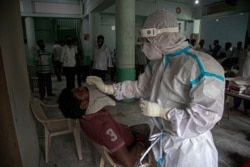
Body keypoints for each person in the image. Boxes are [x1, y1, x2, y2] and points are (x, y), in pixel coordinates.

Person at [87, 9, 225, 167]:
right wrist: (108, 89)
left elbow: (205, 117)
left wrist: (163, 112)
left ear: (163, 37)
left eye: (148, 41)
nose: (144, 46)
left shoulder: (200, 66)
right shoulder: (158, 63)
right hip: (163, 137)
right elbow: (139, 87)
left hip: (189, 148)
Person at [57, 86, 150, 167]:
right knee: (147, 130)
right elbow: (128, 162)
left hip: (119, 136)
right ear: (83, 105)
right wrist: (141, 142)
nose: (82, 87)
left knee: (143, 127)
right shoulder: (105, 127)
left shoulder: (84, 118)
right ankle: (148, 152)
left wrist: (119, 128)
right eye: (80, 91)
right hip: (127, 147)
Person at [231, 41, 250, 115]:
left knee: (247, 93)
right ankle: (236, 106)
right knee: (237, 90)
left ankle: (247, 109)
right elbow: (239, 62)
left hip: (248, 77)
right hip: (240, 75)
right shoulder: (243, 52)